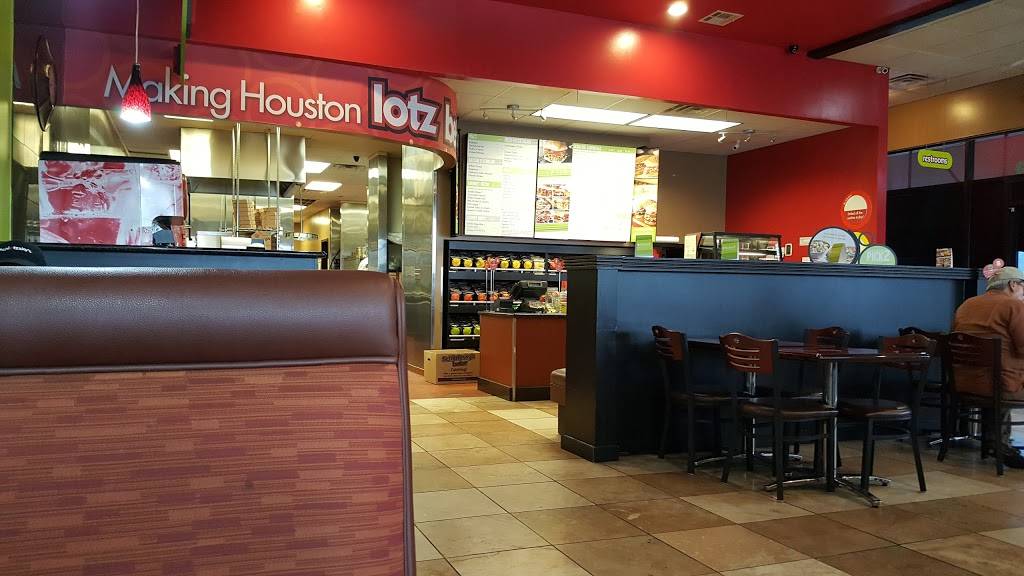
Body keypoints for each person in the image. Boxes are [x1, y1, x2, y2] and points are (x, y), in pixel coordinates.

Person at [952, 262, 1024, 468]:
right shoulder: (1014, 306)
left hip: (965, 383)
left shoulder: (967, 305)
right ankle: (999, 443)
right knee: (1006, 374)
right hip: (1002, 385)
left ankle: (996, 442)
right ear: (1012, 285)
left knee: (1000, 371)